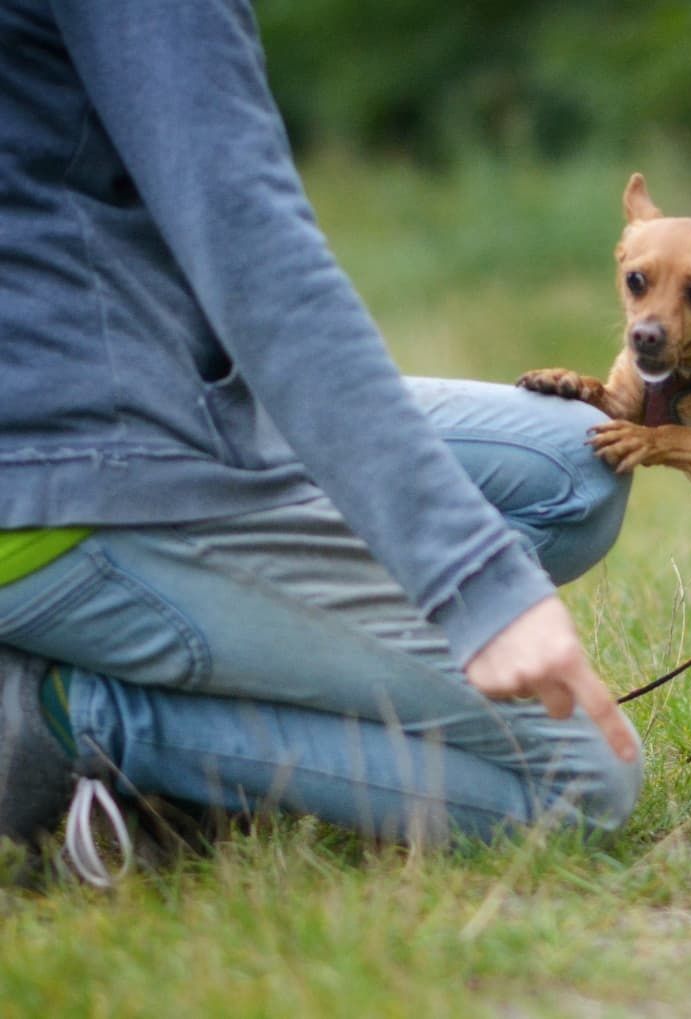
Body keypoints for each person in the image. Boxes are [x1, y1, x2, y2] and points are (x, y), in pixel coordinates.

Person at [0, 0, 641, 881]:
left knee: (572, 463)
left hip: (164, 403)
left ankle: (256, 668)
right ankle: (78, 717)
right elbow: (252, 247)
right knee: (587, 783)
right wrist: (472, 582)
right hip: (70, 479)